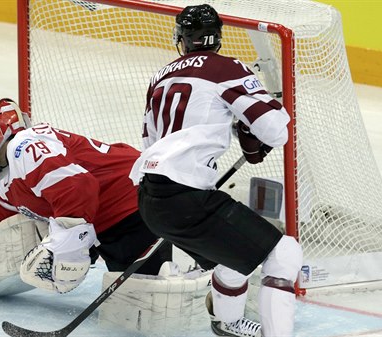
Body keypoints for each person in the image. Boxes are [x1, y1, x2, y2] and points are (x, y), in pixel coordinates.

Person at [129, 4, 303, 337]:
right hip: (187, 199)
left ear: (182, 39)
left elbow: (149, 141)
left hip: (151, 199)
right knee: (284, 254)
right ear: (218, 38)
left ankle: (229, 323)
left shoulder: (160, 76)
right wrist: (255, 120)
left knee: (234, 257)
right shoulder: (226, 68)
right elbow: (275, 132)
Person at [0, 97, 172, 299]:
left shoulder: (25, 145)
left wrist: (68, 246)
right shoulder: (10, 175)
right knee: (135, 300)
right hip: (114, 219)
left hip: (134, 203)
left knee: (153, 300)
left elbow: (77, 186)